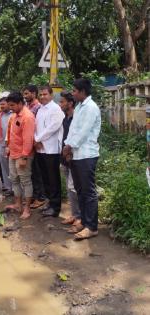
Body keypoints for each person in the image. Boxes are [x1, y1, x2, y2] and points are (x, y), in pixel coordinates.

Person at [63, 78, 101, 240]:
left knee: (88, 192)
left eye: (75, 91)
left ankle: (92, 227)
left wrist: (69, 146)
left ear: (83, 91)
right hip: (76, 154)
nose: (73, 93)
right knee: (80, 191)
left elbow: (84, 131)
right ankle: (84, 221)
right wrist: (68, 146)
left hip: (87, 155)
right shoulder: (79, 107)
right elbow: (73, 130)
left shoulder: (91, 108)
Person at [34, 86, 65, 218]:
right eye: (40, 94)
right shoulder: (40, 109)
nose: (42, 97)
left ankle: (55, 207)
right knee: (45, 178)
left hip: (51, 150)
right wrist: (36, 140)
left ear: (51, 95)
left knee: (53, 179)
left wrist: (38, 138)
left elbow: (53, 127)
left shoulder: (55, 109)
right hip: (40, 149)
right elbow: (35, 127)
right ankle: (49, 203)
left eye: (45, 94)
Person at [4, 92, 36, 219]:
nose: (10, 107)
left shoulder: (28, 117)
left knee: (26, 181)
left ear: (20, 103)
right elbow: (10, 132)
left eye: (12, 105)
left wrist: (24, 157)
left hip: (23, 155)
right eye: (9, 105)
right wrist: (8, 147)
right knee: (14, 179)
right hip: (12, 153)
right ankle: (18, 204)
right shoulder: (14, 115)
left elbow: (28, 139)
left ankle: (27, 208)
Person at [59, 92, 81, 228]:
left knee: (74, 187)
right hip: (64, 156)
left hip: (72, 155)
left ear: (70, 103)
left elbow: (77, 137)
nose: (60, 104)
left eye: (62, 102)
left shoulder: (76, 118)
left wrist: (70, 152)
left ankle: (79, 216)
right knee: (69, 186)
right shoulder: (65, 118)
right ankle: (74, 214)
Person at [23, 84, 46, 209]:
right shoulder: (27, 107)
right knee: (31, 172)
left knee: (37, 172)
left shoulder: (38, 107)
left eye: (27, 93)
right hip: (28, 144)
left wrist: (36, 140)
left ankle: (40, 197)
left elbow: (38, 126)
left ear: (33, 93)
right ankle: (33, 196)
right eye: (24, 94)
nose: (25, 96)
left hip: (36, 143)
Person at [0, 97, 13, 195]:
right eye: (0, 104)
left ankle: (16, 189)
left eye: (4, 104)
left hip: (12, 145)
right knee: (5, 167)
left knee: (13, 168)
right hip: (2, 144)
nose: (2, 106)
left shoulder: (13, 115)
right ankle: (8, 187)